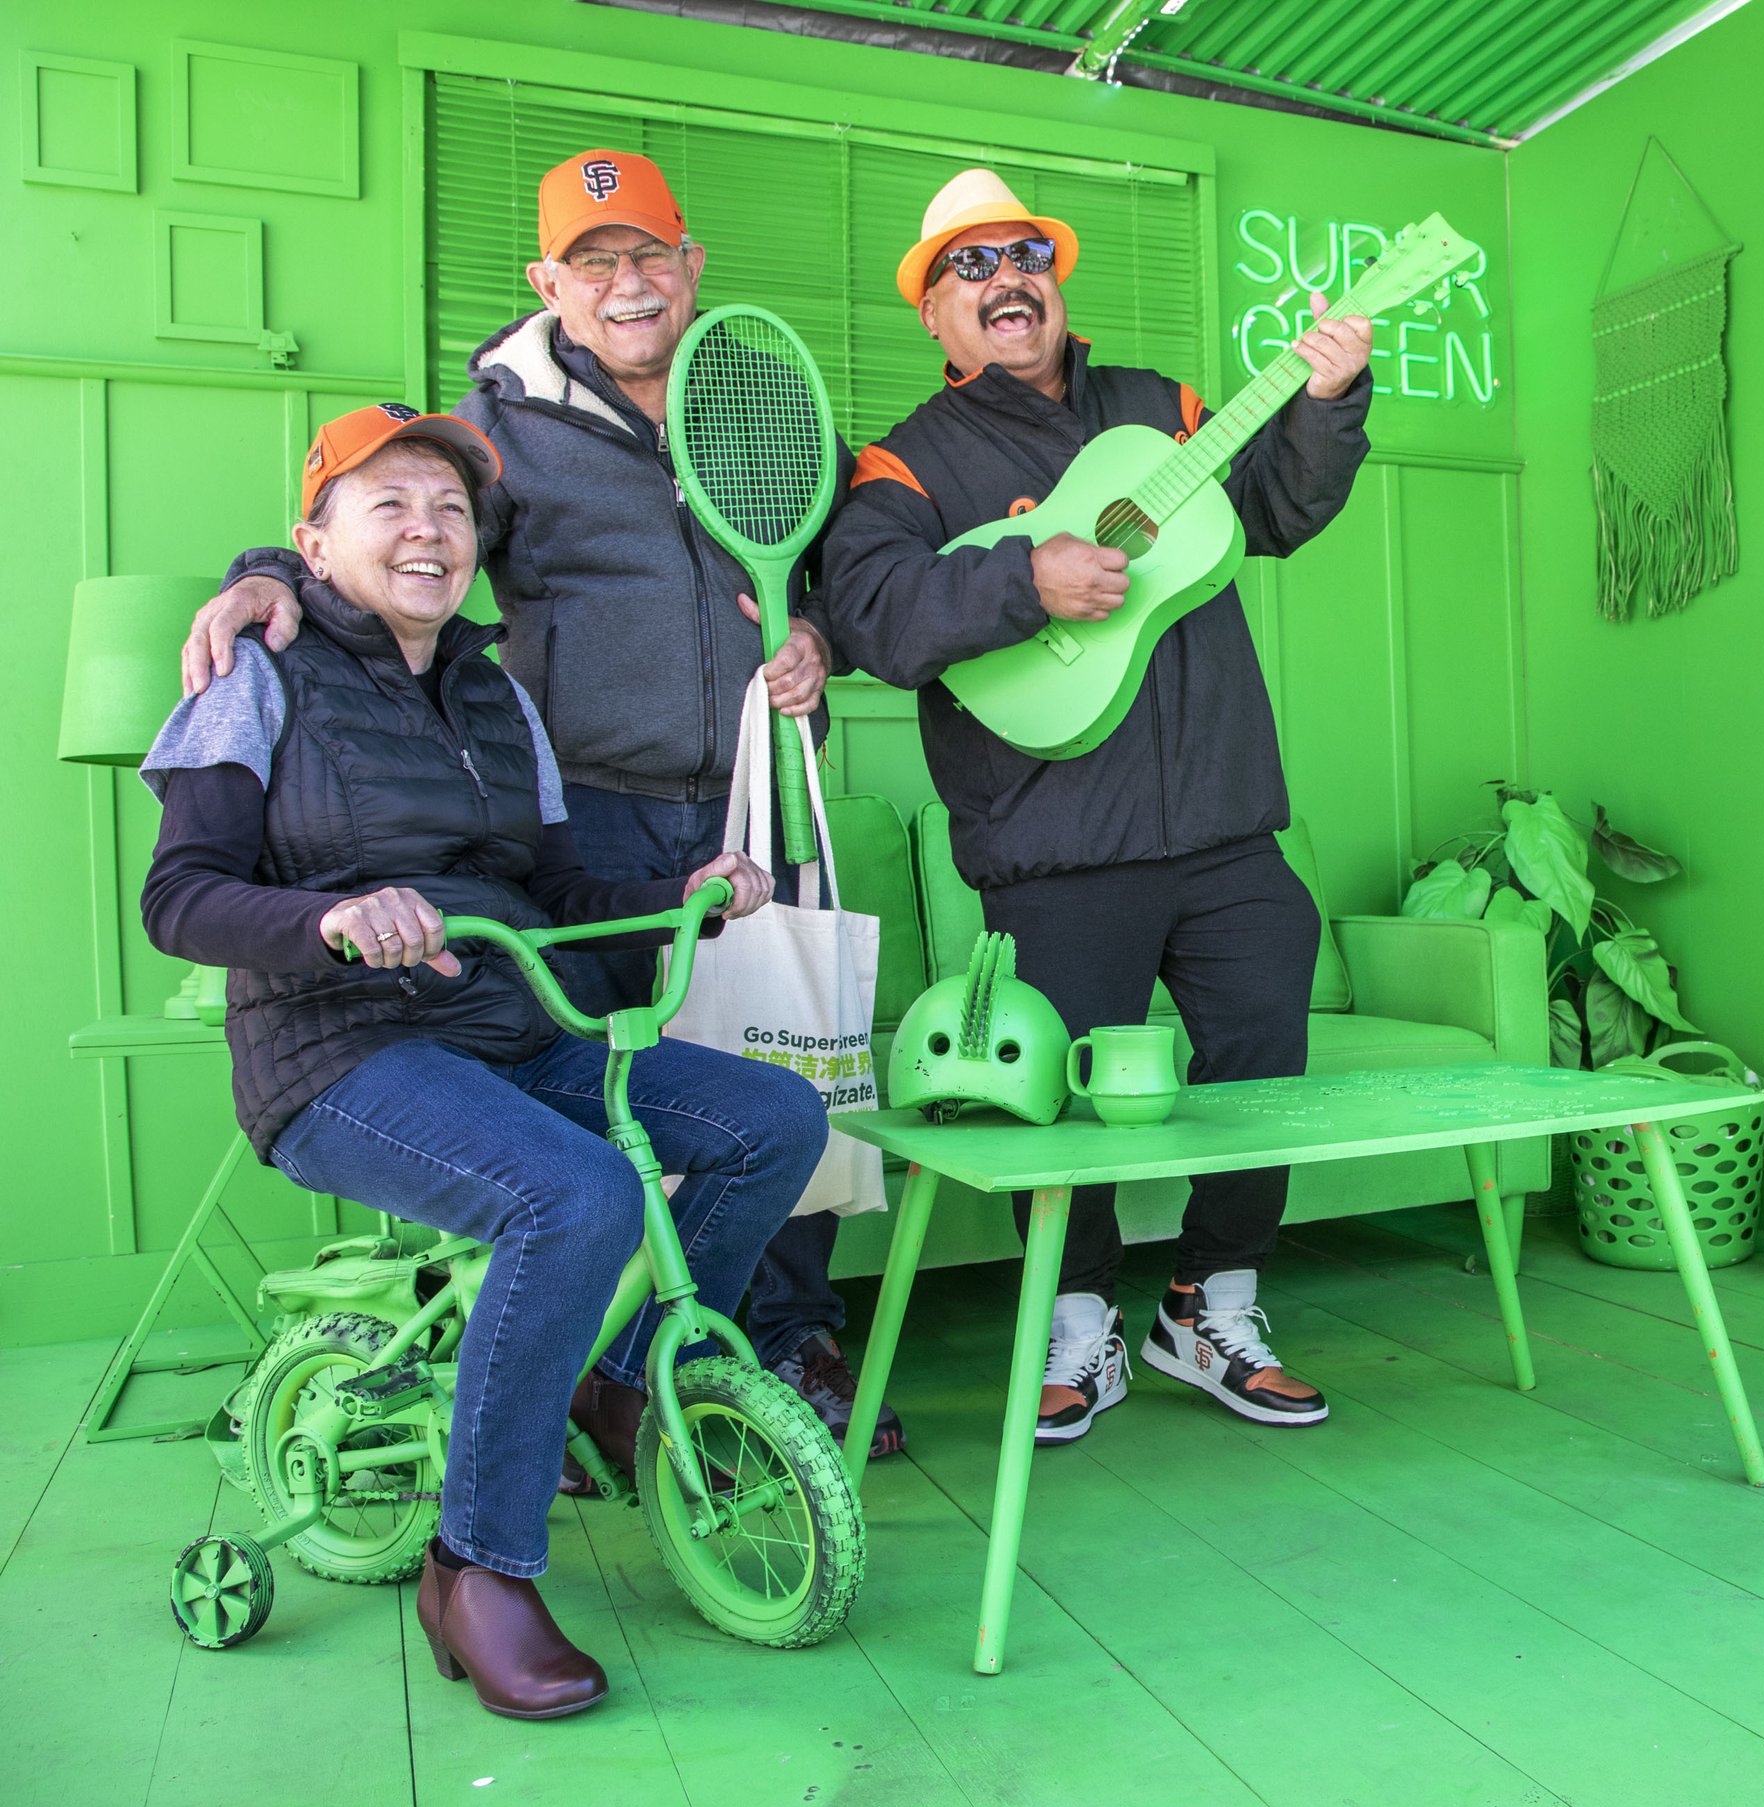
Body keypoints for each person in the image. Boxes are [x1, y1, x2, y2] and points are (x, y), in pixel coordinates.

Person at [176, 149, 900, 1459]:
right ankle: (584, 1365)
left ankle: (771, 1346)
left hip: (745, 808)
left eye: (650, 256)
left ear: (691, 268)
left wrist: (822, 646)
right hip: (593, 819)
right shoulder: (501, 421)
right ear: (550, 285)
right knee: (609, 1115)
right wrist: (257, 573)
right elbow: (389, 528)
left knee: (780, 1070)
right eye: (595, 263)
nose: (628, 285)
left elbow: (841, 563)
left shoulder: (754, 402)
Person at [141, 404, 827, 1719]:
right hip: (340, 1048)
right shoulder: (256, 672)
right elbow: (181, 897)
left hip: (510, 1030)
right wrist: (329, 920)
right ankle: (476, 1567)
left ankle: (624, 1390)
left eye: (451, 510)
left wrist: (689, 884)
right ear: (312, 540)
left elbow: (557, 884)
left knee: (772, 1122)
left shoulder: (494, 689)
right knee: (579, 1194)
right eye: (387, 503)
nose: (426, 530)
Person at [816, 169, 1373, 1445]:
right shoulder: (907, 460)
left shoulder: (1164, 408)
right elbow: (873, 616)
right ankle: (1076, 1328)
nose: (1005, 279)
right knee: (1053, 1099)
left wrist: (1328, 400)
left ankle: (1211, 1303)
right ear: (934, 314)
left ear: (1053, 282)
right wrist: (1024, 578)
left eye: (1024, 256)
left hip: (1228, 823)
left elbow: (1276, 510)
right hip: (1055, 847)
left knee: (1261, 1079)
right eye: (969, 266)